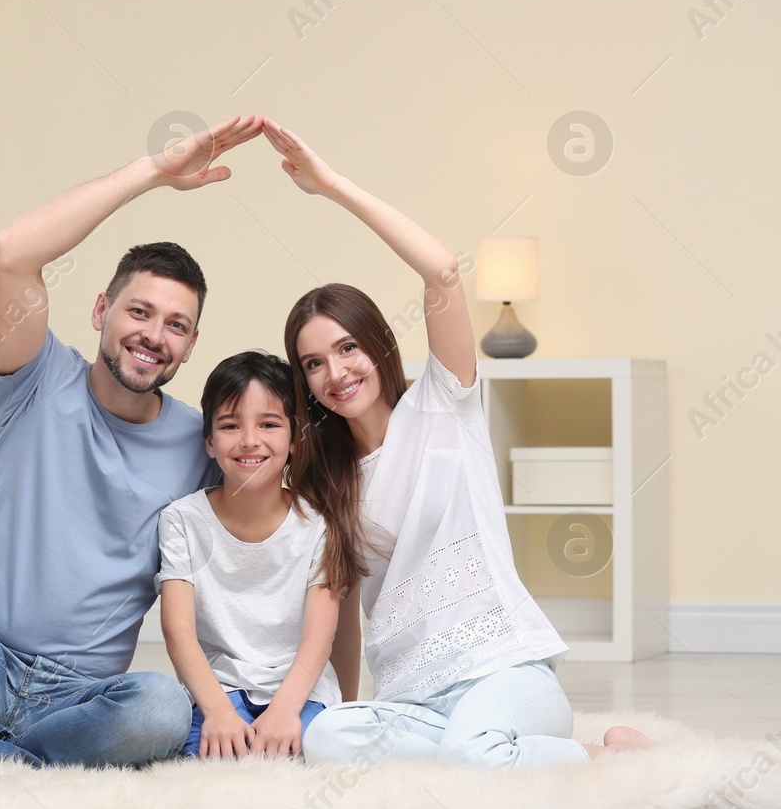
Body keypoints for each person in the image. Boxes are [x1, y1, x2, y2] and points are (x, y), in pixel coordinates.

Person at [259, 117, 655, 768]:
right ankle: (514, 753)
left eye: (347, 347)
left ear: (377, 344)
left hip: (504, 674)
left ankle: (597, 754)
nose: (336, 372)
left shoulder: (444, 403)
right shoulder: (328, 478)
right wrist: (353, 703)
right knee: (328, 737)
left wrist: (330, 185)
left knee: (472, 755)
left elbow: (442, 271)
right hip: (413, 696)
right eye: (313, 363)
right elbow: (347, 605)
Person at [0, 115, 263, 790]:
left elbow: (273, 498)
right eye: (138, 312)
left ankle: (9, 754)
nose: (154, 335)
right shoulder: (33, 373)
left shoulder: (199, 440)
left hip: (79, 694)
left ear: (192, 344)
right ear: (100, 311)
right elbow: (11, 250)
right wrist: (155, 173)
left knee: (162, 708)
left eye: (176, 325)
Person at [158, 350, 355, 760]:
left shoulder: (318, 523)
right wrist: (216, 711)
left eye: (268, 424)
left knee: (322, 754)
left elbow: (319, 639)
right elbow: (178, 631)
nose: (249, 440)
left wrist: (285, 711)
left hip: (299, 691)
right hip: (219, 690)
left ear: (295, 438)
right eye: (230, 426)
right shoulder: (182, 520)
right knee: (204, 762)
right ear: (210, 443)